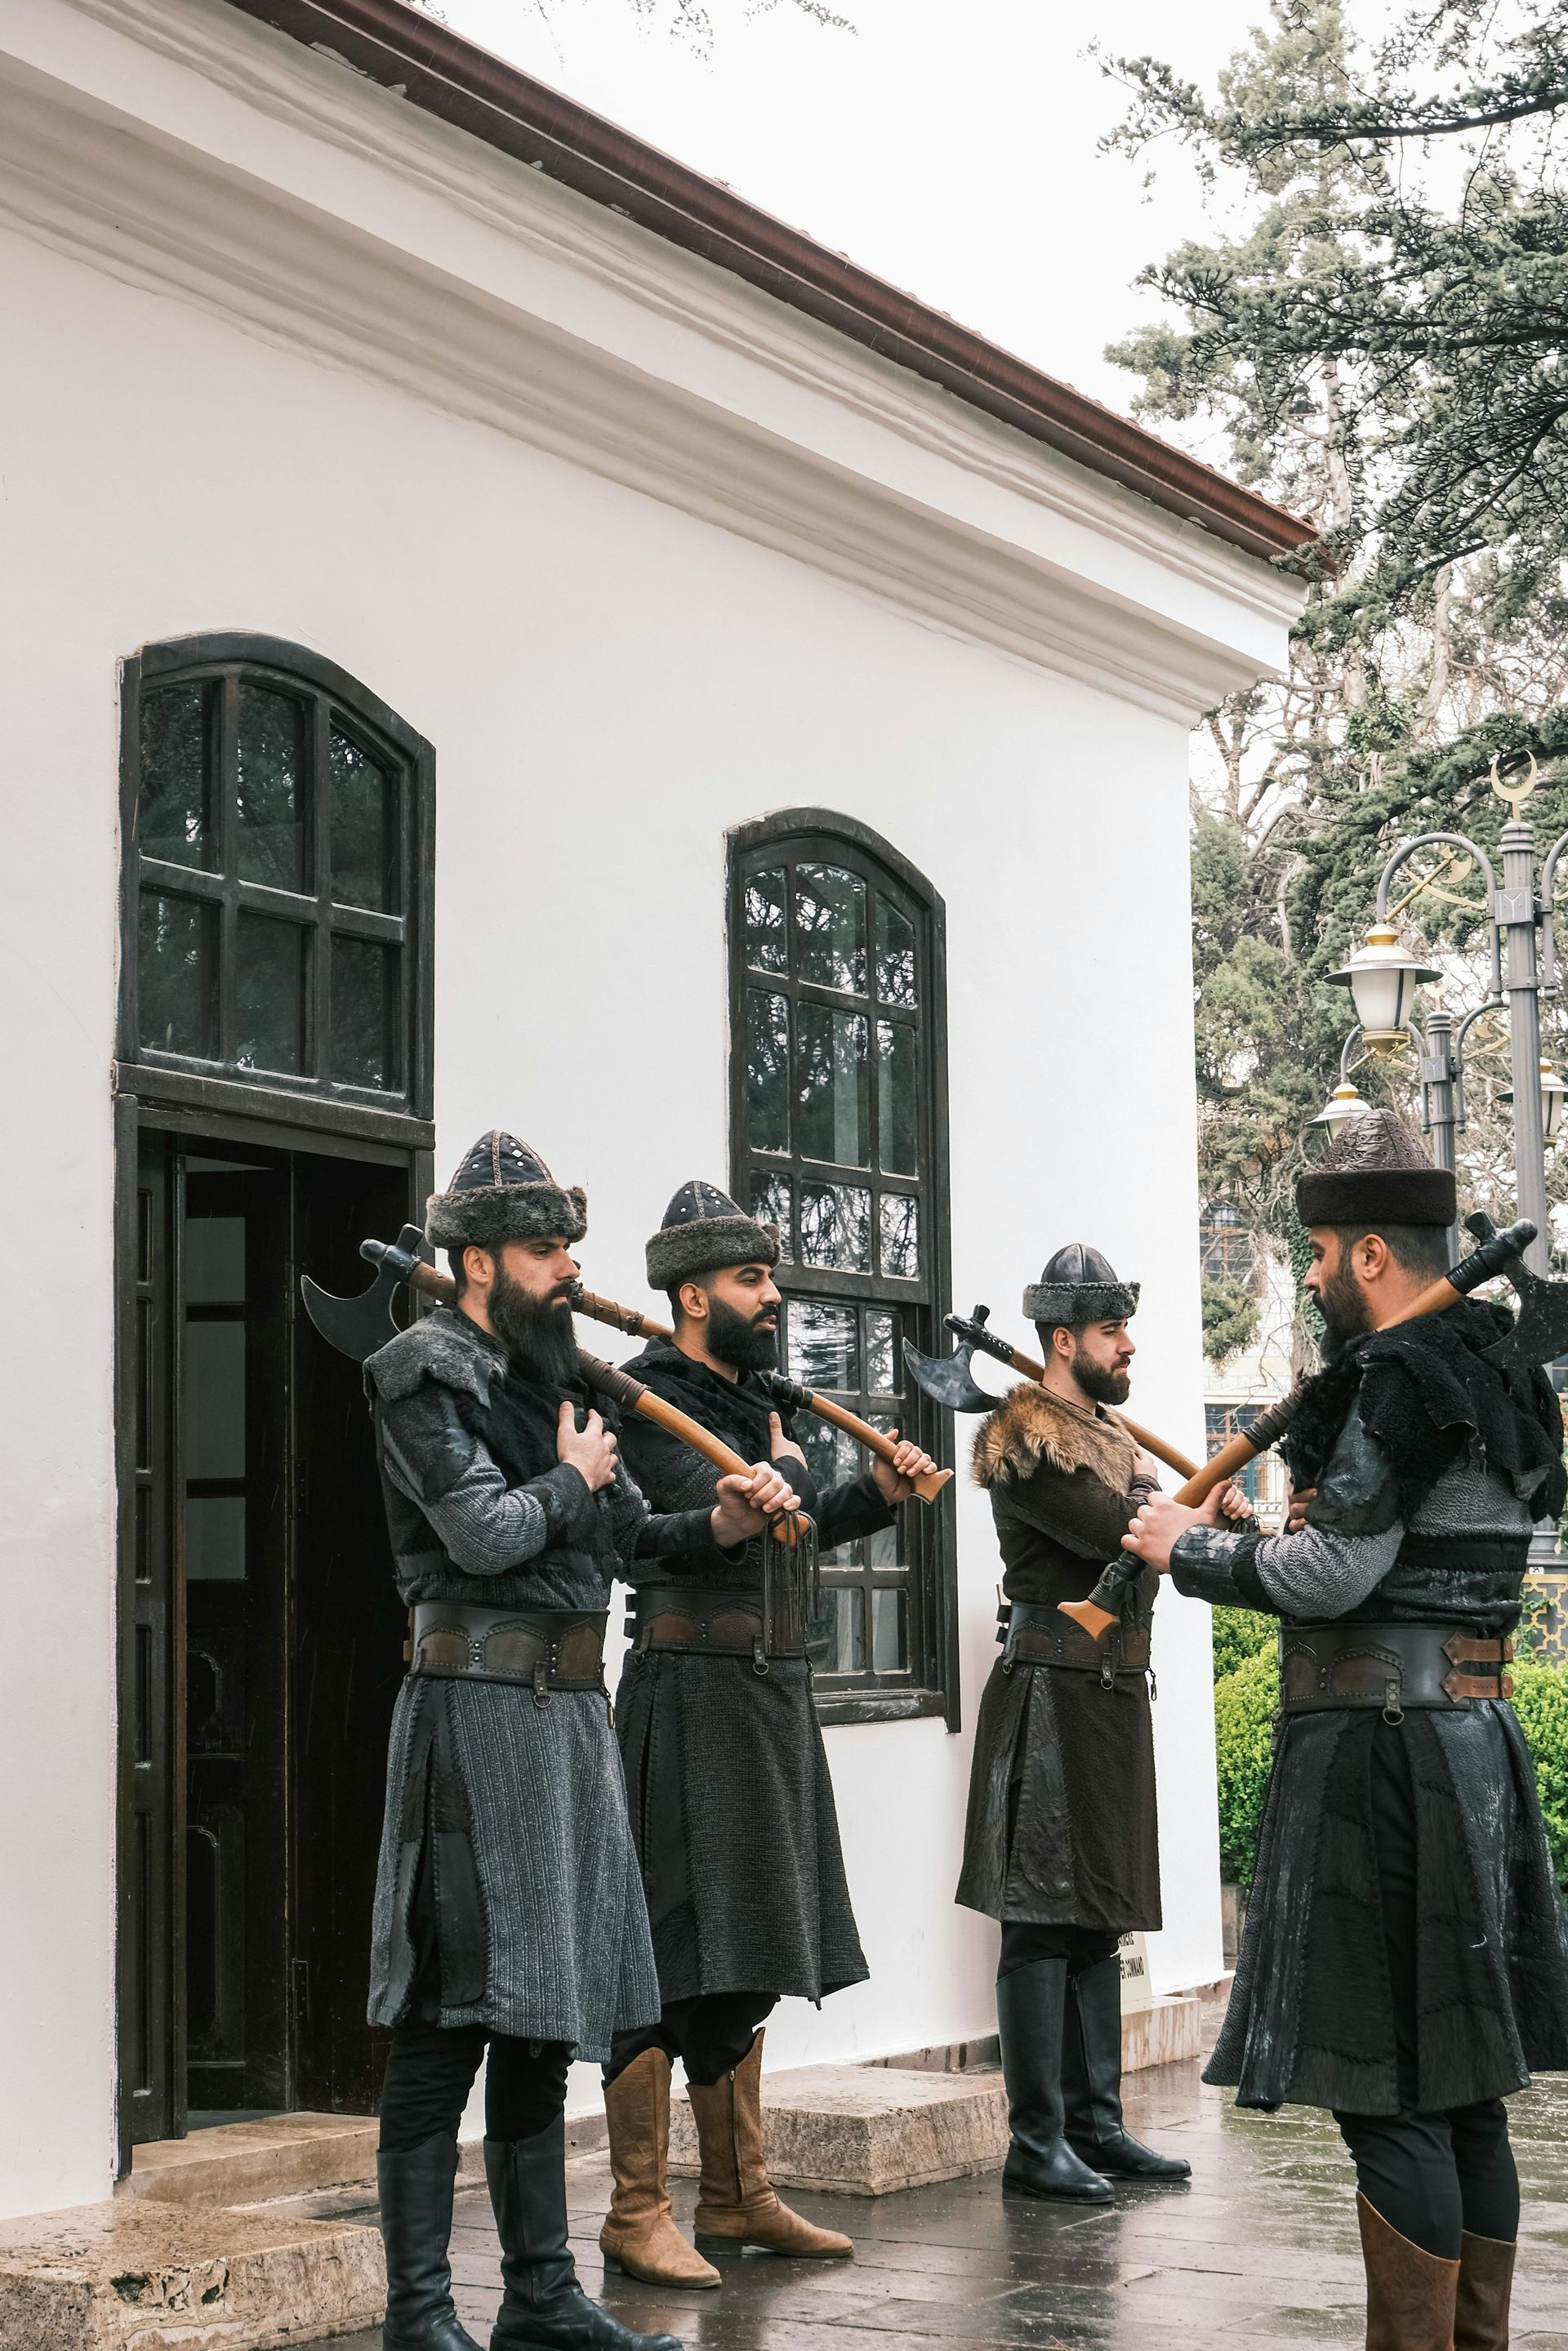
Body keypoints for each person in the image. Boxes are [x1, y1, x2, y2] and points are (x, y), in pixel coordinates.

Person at [1123, 1111, 1568, 2351]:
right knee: (1465, 2090)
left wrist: (1188, 1546)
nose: (1314, 1275)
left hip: (1385, 1751)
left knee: (1395, 2099)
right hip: (1469, 1740)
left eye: (1320, 1253)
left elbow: (1330, 1574)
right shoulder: (1498, 1368)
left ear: (1373, 1254)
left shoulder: (1398, 1376)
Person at [362, 1134, 800, 2351]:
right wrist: (566, 1481)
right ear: (478, 1257)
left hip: (569, 1722)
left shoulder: (563, 1378)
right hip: (472, 1718)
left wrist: (713, 1516)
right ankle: (417, 2311)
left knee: (544, 2015)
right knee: (450, 2014)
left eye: (569, 1248)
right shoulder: (421, 1372)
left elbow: (626, 1538)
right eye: (547, 1248)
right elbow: (490, 1534)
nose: (567, 1269)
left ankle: (542, 2295)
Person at [595, 1180, 938, 2289]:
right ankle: (636, 2206)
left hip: (769, 1692)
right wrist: (788, 1479)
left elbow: (785, 1529)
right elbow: (689, 1521)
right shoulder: (646, 1397)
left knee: (748, 1945)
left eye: (770, 1276)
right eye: (751, 1279)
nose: (773, 1295)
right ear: (692, 1293)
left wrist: (872, 1494)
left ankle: (737, 2191)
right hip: (687, 1697)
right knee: (667, 1949)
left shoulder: (755, 1397)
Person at [956, 1245, 1206, 2203]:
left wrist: (1187, 1514)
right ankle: (1037, 2139)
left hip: (1105, 1696)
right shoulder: (1031, 1447)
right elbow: (1122, 1534)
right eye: (1112, 1331)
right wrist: (1177, 1512)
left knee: (1097, 1921)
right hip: (1051, 1695)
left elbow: (1146, 1534)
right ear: (1065, 1341)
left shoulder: (1104, 1435)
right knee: (1041, 1923)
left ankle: (1097, 2123)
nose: (1128, 1344)